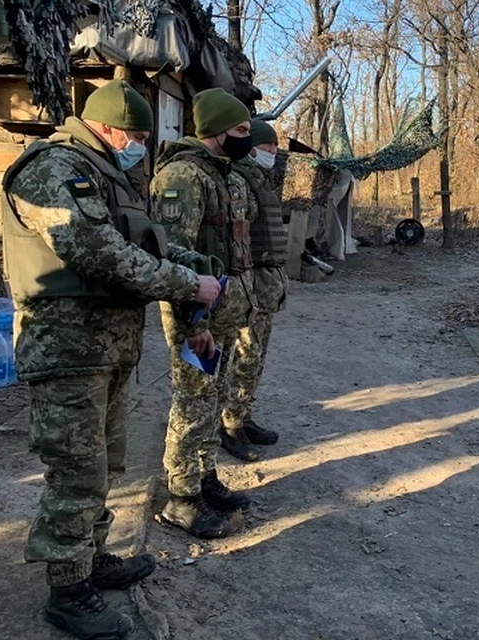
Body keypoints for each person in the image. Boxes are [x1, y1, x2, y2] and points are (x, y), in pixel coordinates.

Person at [2, 79, 222, 639]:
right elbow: (95, 251)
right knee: (76, 474)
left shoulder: (112, 177)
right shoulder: (53, 169)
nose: (144, 148)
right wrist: (184, 283)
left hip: (110, 347)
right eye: (138, 136)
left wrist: (194, 264)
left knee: (104, 464)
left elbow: (149, 244)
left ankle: (91, 559)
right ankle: (67, 591)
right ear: (105, 128)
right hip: (68, 350)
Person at [150, 88, 259, 539]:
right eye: (239, 130)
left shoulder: (225, 174)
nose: (246, 138)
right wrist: (194, 323)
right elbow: (176, 256)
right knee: (193, 401)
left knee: (211, 401)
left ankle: (205, 477)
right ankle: (181, 498)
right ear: (214, 131)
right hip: (197, 319)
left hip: (223, 316)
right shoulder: (183, 176)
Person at [221, 119, 289, 461]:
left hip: (265, 284)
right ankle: (230, 426)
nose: (273, 154)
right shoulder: (239, 180)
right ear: (251, 149)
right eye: (267, 148)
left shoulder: (259, 179)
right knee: (245, 356)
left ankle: (242, 417)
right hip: (251, 284)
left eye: (275, 148)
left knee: (256, 358)